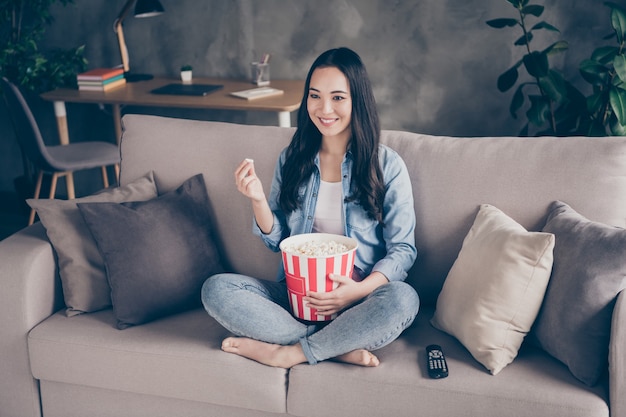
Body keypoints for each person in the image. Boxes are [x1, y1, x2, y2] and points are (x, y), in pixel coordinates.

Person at [201, 47, 419, 368]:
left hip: (359, 299)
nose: (324, 108)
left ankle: (291, 352)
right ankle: (333, 345)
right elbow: (278, 241)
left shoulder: (386, 164)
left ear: (357, 100)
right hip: (295, 296)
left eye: (338, 97)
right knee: (216, 288)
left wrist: (357, 291)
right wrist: (258, 199)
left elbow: (403, 250)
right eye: (315, 96)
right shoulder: (292, 159)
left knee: (404, 298)